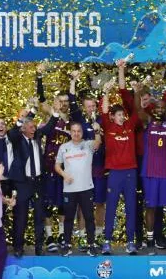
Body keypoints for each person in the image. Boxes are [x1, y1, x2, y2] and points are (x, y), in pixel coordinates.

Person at [132, 61, 166, 254]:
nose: (160, 110)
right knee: (151, 208)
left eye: (163, 108)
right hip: (150, 173)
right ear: (153, 109)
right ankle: (151, 241)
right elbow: (138, 110)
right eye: (158, 108)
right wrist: (137, 91)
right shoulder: (148, 122)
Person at [7, 105, 58, 257]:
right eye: (30, 127)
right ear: (23, 129)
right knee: (20, 216)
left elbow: (49, 128)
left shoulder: (37, 136)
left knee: (39, 216)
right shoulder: (16, 138)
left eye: (34, 127)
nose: (33, 129)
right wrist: (31, 112)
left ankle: (39, 247)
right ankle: (18, 247)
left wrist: (54, 113)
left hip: (37, 183)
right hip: (22, 183)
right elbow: (11, 132)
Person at [100, 64, 140, 255]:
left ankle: (131, 242)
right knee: (112, 207)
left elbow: (128, 98)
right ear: (112, 116)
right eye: (118, 115)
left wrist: (122, 73)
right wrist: (106, 92)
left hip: (130, 172)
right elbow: (104, 109)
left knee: (131, 208)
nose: (122, 117)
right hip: (115, 173)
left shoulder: (130, 125)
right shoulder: (108, 127)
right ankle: (107, 241)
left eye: (123, 114)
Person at [35, 65, 73, 252]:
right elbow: (41, 102)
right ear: (56, 102)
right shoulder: (53, 115)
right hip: (50, 167)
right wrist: (40, 77)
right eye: (61, 101)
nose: (64, 104)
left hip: (66, 169)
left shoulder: (73, 120)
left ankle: (60, 234)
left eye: (66, 101)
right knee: (48, 203)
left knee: (64, 205)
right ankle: (49, 236)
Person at [68, 70, 106, 249]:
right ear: (84, 107)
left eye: (93, 106)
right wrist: (73, 81)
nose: (91, 108)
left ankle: (98, 236)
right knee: (83, 206)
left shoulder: (101, 120)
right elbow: (72, 99)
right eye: (88, 106)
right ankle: (82, 236)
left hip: (99, 169)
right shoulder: (79, 120)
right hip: (83, 170)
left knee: (99, 203)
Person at [55, 121, 102, 256]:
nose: (76, 134)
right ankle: (67, 245)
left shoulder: (87, 145)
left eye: (78, 131)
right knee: (69, 218)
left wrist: (97, 131)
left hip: (86, 188)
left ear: (82, 132)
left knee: (89, 217)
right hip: (69, 189)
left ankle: (91, 245)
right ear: (70, 132)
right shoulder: (64, 147)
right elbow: (57, 165)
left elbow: (98, 142)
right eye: (73, 131)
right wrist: (64, 174)